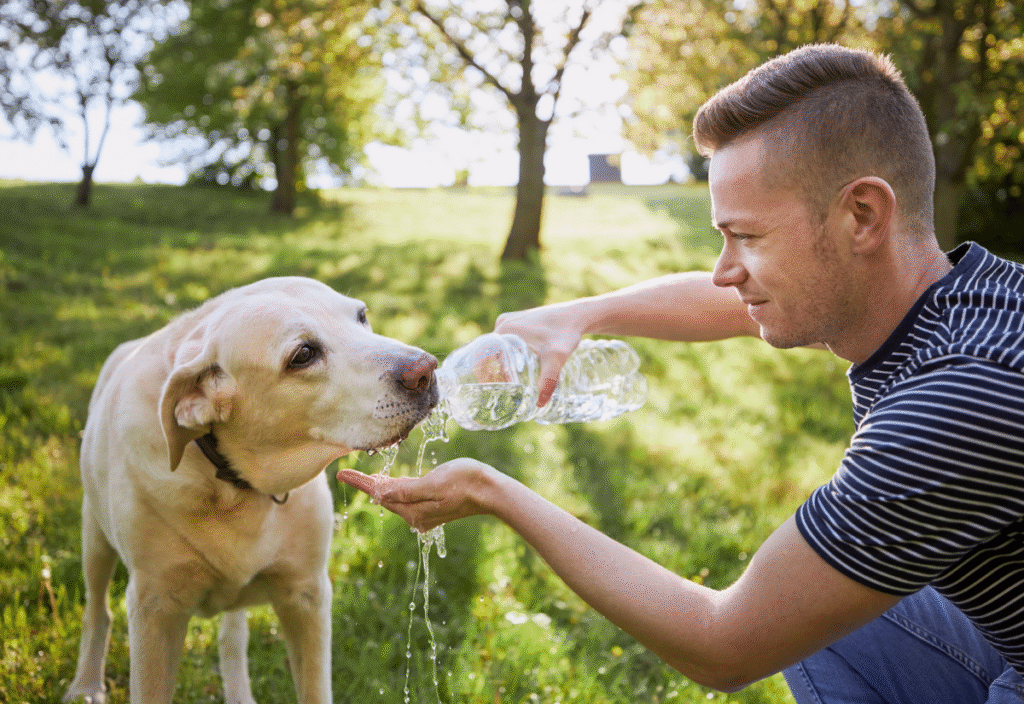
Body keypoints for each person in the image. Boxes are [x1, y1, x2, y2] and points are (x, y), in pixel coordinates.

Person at [338, 44, 1024, 702]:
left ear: (863, 215)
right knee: (823, 602)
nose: (726, 270)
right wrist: (583, 314)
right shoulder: (969, 298)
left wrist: (495, 494)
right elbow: (730, 303)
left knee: (787, 610)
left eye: (748, 237)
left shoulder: (956, 400)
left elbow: (724, 645)